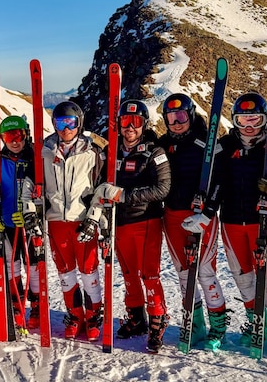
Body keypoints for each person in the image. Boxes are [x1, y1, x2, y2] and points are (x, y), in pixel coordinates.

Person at [185, 92, 267, 352]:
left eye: (254, 120)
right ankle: (256, 323)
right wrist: (208, 213)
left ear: (264, 121)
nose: (248, 127)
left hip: (265, 221)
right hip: (232, 221)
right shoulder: (225, 146)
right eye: (243, 120)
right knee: (243, 278)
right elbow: (217, 183)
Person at [91, 99, 171, 353]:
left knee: (149, 274)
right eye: (126, 122)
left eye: (136, 123)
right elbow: (99, 183)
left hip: (145, 220)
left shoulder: (154, 152)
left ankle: (158, 320)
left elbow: (162, 189)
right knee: (128, 274)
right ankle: (136, 317)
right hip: (119, 222)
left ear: (144, 125)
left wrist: (124, 195)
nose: (130, 128)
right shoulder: (110, 152)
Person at [158, 93, 227, 346]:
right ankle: (195, 325)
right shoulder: (163, 143)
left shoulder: (206, 142)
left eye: (181, 116)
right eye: (171, 118)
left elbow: (221, 178)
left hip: (200, 215)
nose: (176, 122)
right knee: (184, 273)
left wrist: (208, 212)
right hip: (172, 214)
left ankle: (218, 329)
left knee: (206, 272)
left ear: (191, 115)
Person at [42, 101, 105, 339]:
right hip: (57, 220)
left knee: (89, 271)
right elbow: (37, 185)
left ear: (79, 124)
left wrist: (94, 219)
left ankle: (94, 314)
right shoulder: (45, 151)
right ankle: (75, 313)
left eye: (70, 123)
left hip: (82, 221)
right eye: (60, 123)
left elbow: (101, 189)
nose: (65, 129)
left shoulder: (93, 153)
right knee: (65, 272)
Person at [0, 115, 40, 330]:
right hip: (6, 223)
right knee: (11, 266)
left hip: (31, 223)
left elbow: (47, 188)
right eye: (8, 136)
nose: (14, 141)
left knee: (33, 265)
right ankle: (15, 303)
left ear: (26, 135)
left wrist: (35, 212)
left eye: (18, 135)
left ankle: (37, 305)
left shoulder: (36, 158)